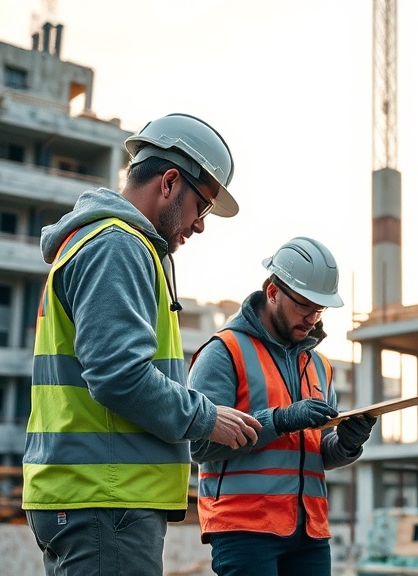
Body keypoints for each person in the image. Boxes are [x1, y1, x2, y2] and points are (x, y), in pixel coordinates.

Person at [22, 113, 263, 576]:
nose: (199, 225)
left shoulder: (101, 242)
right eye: (203, 206)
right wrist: (206, 418)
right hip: (106, 500)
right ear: (170, 182)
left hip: (91, 496)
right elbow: (119, 375)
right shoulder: (117, 246)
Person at [189, 237, 377, 576]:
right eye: (304, 306)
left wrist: (348, 444)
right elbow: (199, 444)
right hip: (244, 528)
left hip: (309, 531)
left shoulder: (319, 364)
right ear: (273, 291)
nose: (312, 319)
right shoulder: (224, 351)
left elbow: (315, 453)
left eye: (319, 310)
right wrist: (281, 420)